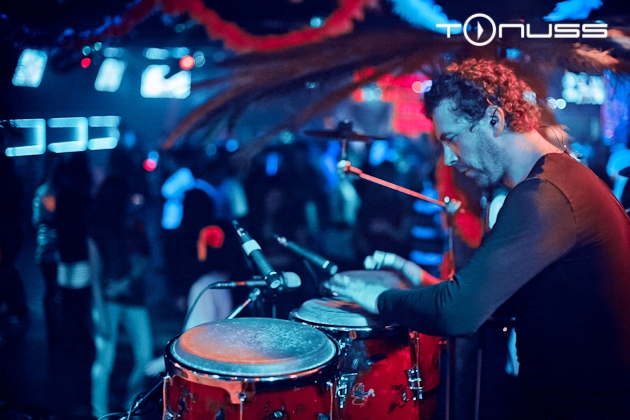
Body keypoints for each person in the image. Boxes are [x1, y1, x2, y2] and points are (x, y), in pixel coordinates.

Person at [326, 58, 630, 418]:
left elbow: (458, 313)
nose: (449, 160)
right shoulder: (558, 181)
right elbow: (494, 301)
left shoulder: (546, 195)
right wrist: (422, 281)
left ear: (494, 120)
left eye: (452, 139)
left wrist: (377, 299)